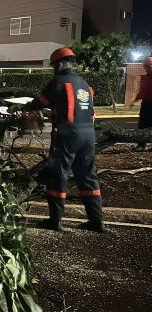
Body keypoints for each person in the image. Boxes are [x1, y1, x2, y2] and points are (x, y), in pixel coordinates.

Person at [8, 47, 104, 232]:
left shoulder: (58, 82)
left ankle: (55, 220)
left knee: (58, 174)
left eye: (53, 66)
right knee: (88, 175)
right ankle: (96, 221)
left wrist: (20, 108)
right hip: (89, 135)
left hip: (67, 135)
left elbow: (39, 103)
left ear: (58, 64)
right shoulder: (85, 84)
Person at [127, 57, 152, 150]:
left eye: (148, 67)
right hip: (145, 104)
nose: (146, 69)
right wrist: (134, 101)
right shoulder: (145, 78)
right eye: (145, 67)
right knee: (142, 124)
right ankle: (142, 144)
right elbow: (142, 91)